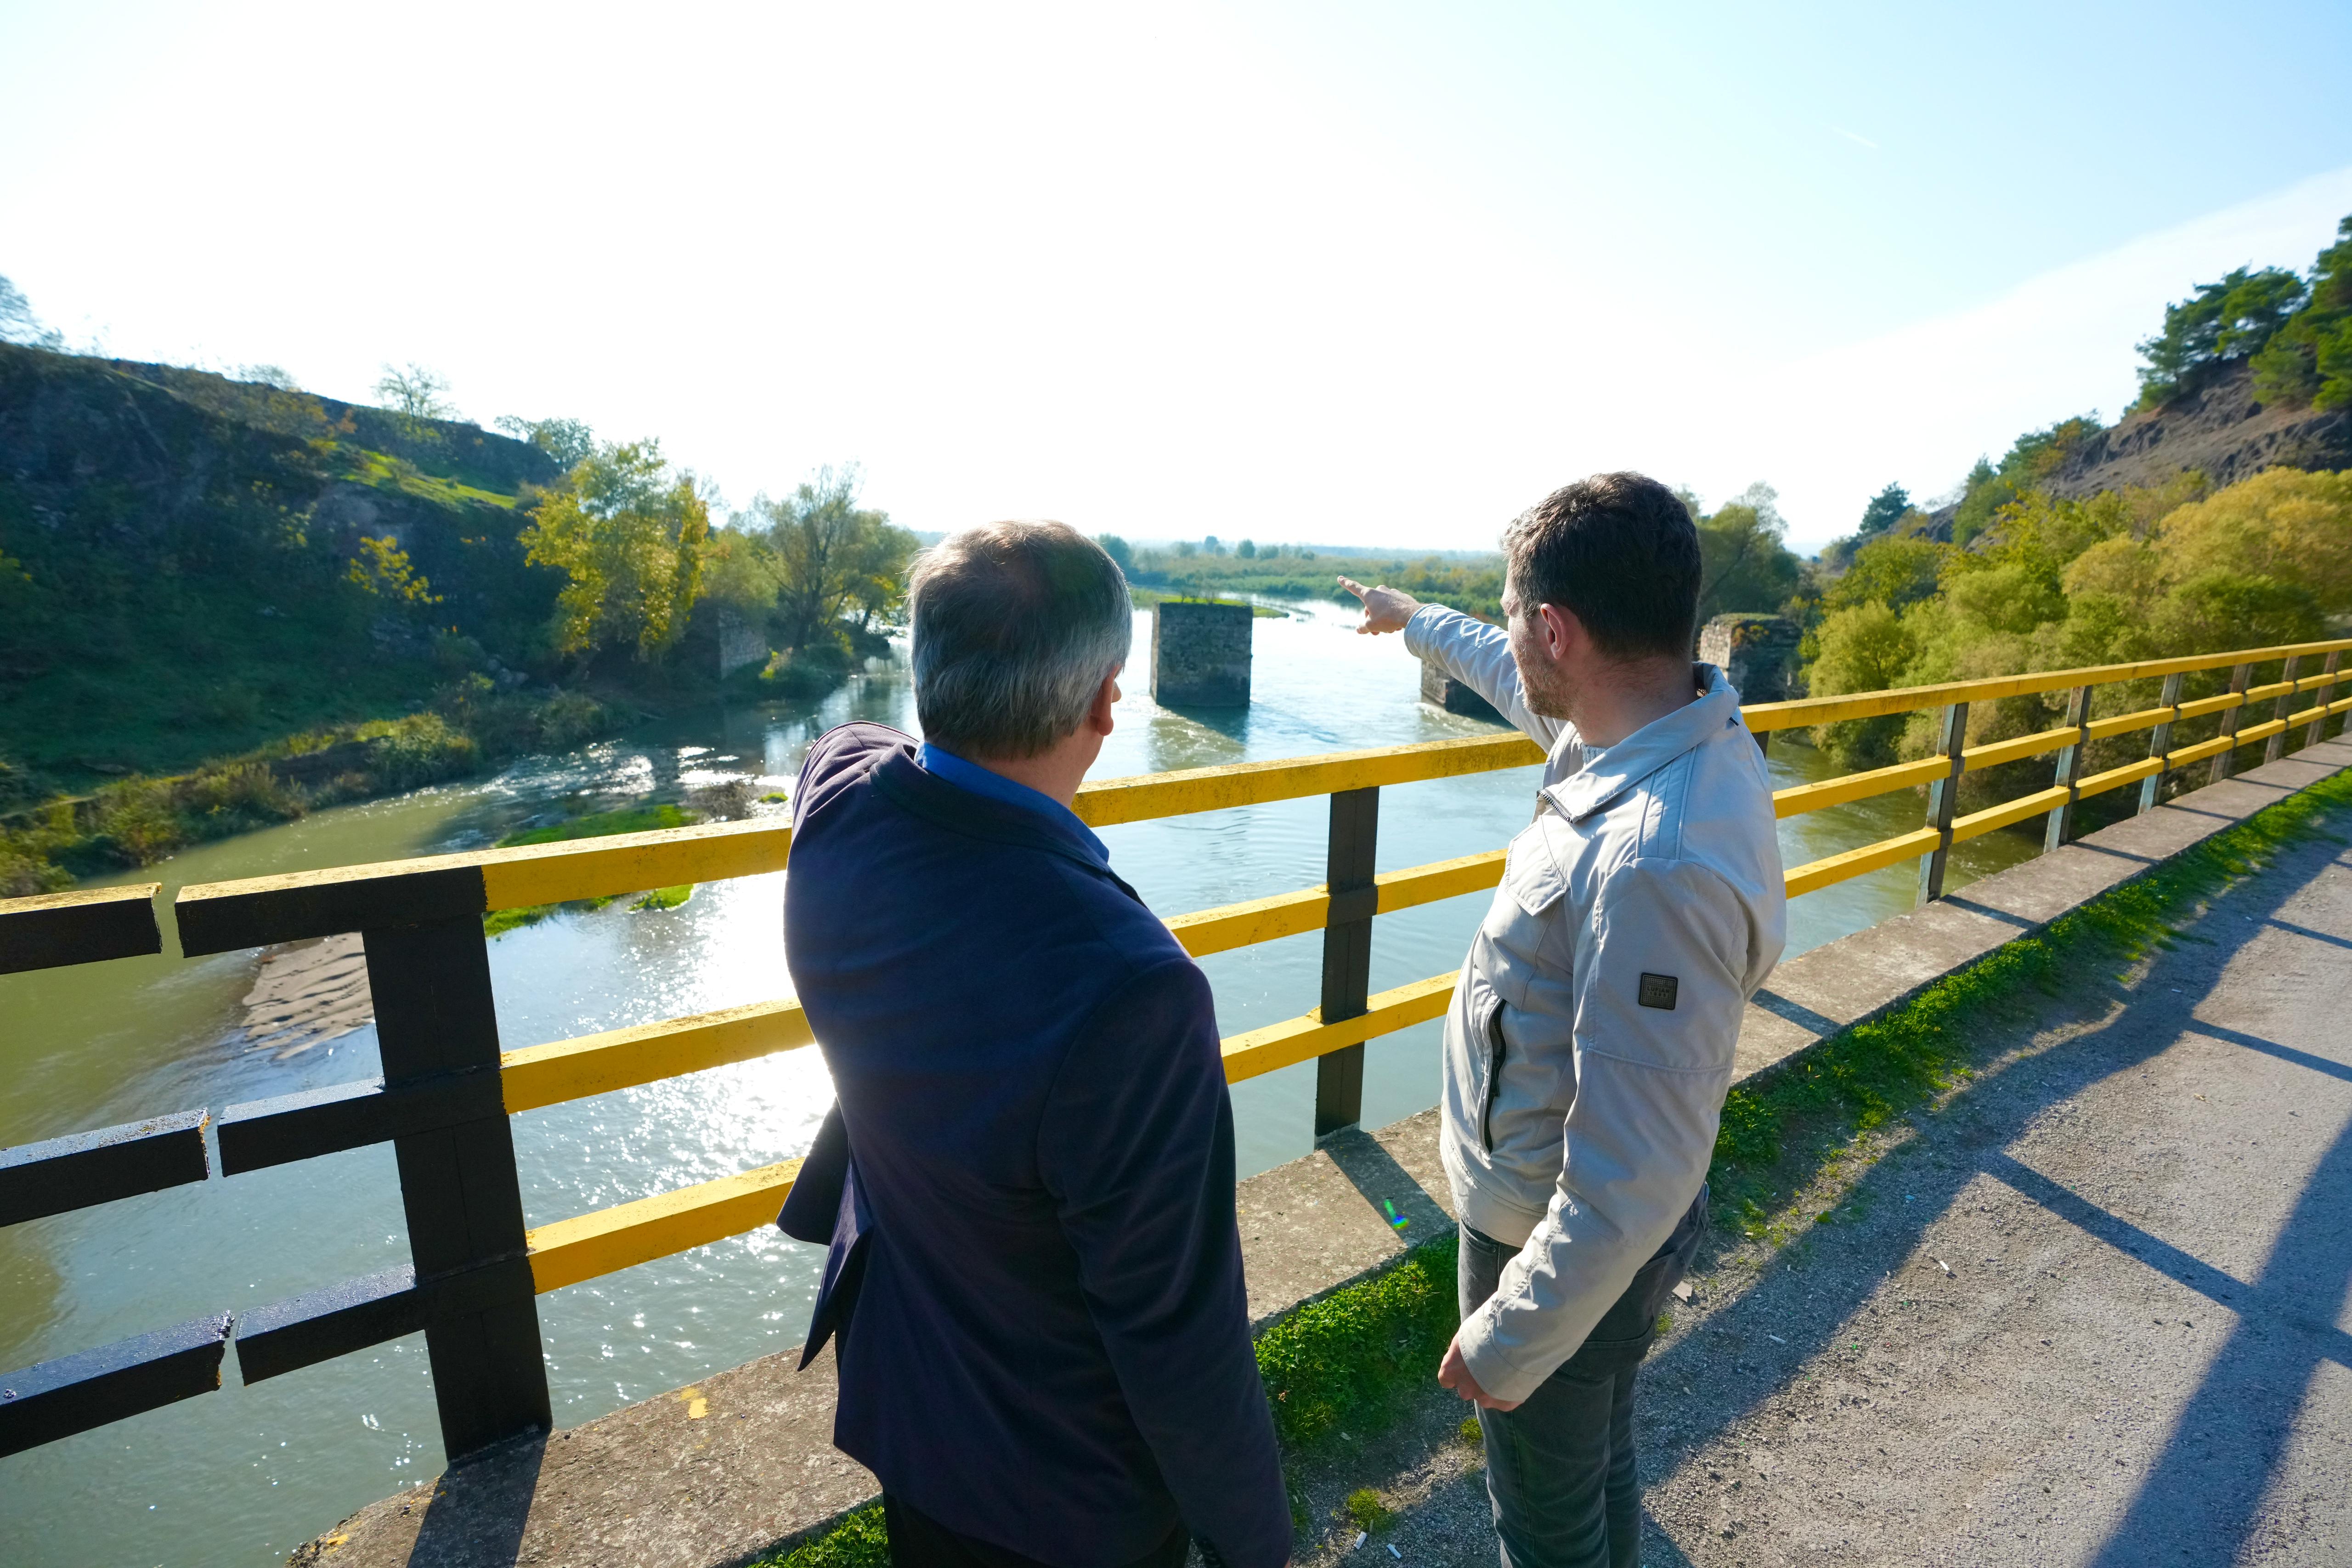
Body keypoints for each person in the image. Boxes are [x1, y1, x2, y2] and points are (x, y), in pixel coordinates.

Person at [779, 520, 1291, 1568]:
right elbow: (1176, 1330)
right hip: (1067, 1496)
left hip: (911, 1414)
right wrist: (1257, 1543)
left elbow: (854, 742)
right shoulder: (1130, 989)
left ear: (924, 674)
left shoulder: (833, 810)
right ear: (1107, 701)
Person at [1341, 472, 1785, 1568]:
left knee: (1541, 1524)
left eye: (1513, 618)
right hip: (1580, 1220)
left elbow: (1635, 1172)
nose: (1508, 641)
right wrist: (1414, 621)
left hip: (1550, 1232)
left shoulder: (1655, 862)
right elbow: (1506, 672)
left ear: (1558, 631)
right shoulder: (1655, 728)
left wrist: (1511, 1335)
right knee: (1597, 1463)